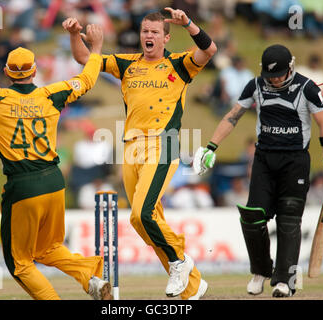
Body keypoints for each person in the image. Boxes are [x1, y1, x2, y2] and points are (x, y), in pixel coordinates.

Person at [0, 20, 112, 300]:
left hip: (23, 187)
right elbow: (87, 79)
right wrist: (96, 48)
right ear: (35, 71)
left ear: (6, 72)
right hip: (53, 181)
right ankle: (91, 279)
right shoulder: (52, 95)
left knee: (19, 263)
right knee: (48, 248)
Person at [64, 7, 217, 299]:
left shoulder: (179, 63)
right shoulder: (127, 63)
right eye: (145, 31)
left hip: (165, 142)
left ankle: (179, 261)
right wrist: (74, 35)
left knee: (142, 212)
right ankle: (194, 285)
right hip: (132, 147)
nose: (148, 36)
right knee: (140, 219)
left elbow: (209, 49)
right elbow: (85, 59)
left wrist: (190, 24)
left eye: (154, 32)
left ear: (165, 37)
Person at [193, 44, 323, 297]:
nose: (274, 80)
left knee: (288, 218)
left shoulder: (308, 88)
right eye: (270, 76)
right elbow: (233, 115)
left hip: (295, 161)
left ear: (290, 68)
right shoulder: (255, 85)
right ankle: (261, 271)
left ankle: (284, 280)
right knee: (252, 217)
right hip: (264, 160)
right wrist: (211, 147)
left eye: (278, 75)